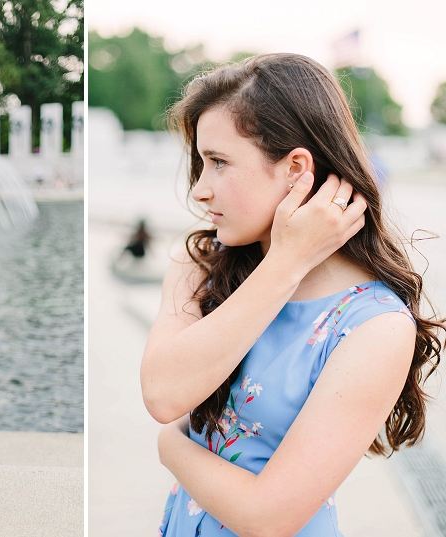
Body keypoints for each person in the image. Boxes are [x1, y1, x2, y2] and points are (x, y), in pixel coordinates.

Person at [140, 53, 444, 536]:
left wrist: (171, 449)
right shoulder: (199, 266)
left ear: (295, 168)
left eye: (219, 162)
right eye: (201, 163)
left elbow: (270, 516)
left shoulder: (373, 324)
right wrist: (285, 264)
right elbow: (162, 395)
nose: (199, 189)